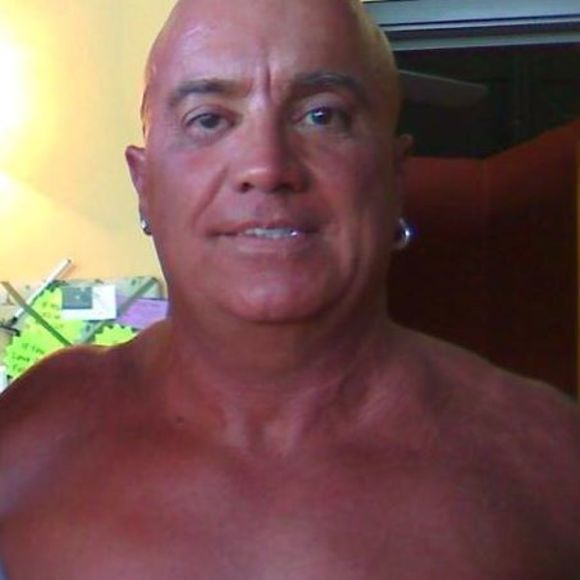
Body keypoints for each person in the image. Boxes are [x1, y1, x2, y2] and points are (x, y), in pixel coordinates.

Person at [1, 0, 579, 577]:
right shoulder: (31, 431)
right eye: (209, 120)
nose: (267, 166)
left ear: (393, 176)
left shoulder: (548, 461)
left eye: (322, 116)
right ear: (144, 185)